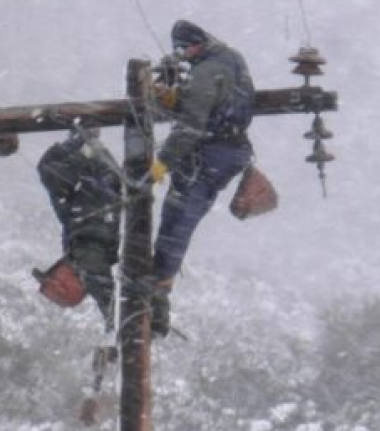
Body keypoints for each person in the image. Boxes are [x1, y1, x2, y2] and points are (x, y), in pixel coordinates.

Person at [149, 19, 255, 335]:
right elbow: (220, 101)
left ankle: (157, 295)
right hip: (233, 150)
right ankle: (158, 291)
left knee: (176, 220)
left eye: (183, 49)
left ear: (194, 44)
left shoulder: (204, 74)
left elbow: (191, 126)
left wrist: (163, 162)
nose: (182, 55)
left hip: (211, 153)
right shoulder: (231, 57)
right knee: (183, 218)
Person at [38, 124, 123, 331]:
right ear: (66, 282)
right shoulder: (88, 262)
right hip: (94, 197)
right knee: (49, 172)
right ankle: (83, 140)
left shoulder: (80, 257)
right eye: (56, 278)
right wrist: (114, 327)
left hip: (88, 202)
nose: (56, 272)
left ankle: (81, 139)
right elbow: (108, 300)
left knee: (48, 171)